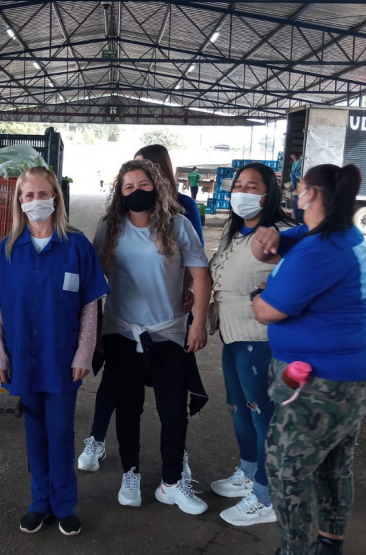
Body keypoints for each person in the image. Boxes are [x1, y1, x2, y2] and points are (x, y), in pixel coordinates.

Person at [251, 164, 366, 555]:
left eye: (299, 187)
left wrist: (259, 296)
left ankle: (296, 549)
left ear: (312, 194)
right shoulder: (331, 234)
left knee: (285, 467)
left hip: (325, 383)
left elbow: (267, 311)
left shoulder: (323, 249)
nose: (295, 193)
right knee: (333, 463)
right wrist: (265, 238)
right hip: (348, 375)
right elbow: (269, 249)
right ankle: (328, 544)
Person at [0, 166, 107, 536]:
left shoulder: (77, 247)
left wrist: (84, 353)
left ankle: (64, 504)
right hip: (23, 357)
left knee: (61, 431)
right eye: (29, 195)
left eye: (43, 194)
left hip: (61, 359)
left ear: (56, 198)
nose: (36, 201)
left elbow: (90, 305)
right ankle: (39, 502)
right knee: (34, 432)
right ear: (20, 201)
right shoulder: (8, 249)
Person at [77, 144, 206, 474]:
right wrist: (93, 327)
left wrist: (197, 314)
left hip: (168, 327)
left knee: (172, 404)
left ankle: (174, 469)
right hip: (122, 327)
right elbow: (94, 278)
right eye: (129, 185)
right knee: (124, 400)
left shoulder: (179, 221)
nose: (137, 190)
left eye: (144, 183)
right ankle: (121, 464)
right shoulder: (111, 227)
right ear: (120, 191)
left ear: (157, 181)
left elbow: (198, 268)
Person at [207, 163, 295, 527]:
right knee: (239, 410)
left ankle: (265, 496)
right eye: (238, 185)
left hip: (259, 339)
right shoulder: (235, 232)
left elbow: (297, 280)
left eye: (252, 186)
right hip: (231, 336)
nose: (242, 192)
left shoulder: (280, 235)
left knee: (264, 417)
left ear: (268, 193)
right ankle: (248, 472)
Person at [289, 153, 304, 224]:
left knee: (292, 174)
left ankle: (293, 186)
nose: (293, 159)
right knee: (292, 173)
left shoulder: (299, 161)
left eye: (294, 157)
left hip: (301, 173)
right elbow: (293, 169)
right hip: (298, 172)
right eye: (292, 158)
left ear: (296, 156)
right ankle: (293, 186)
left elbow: (295, 169)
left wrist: (294, 163)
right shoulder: (295, 162)